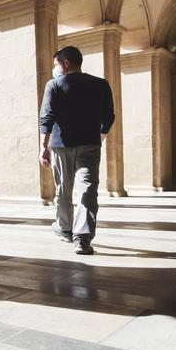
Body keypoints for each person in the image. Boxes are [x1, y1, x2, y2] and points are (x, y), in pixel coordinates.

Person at [39, 45, 116, 256]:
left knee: (63, 189)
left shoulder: (54, 85)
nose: (55, 68)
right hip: (89, 145)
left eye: (56, 64)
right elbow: (108, 117)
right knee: (88, 189)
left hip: (60, 145)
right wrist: (98, 137)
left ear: (65, 63)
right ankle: (82, 238)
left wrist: (42, 146)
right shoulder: (100, 85)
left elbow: (46, 117)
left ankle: (65, 228)